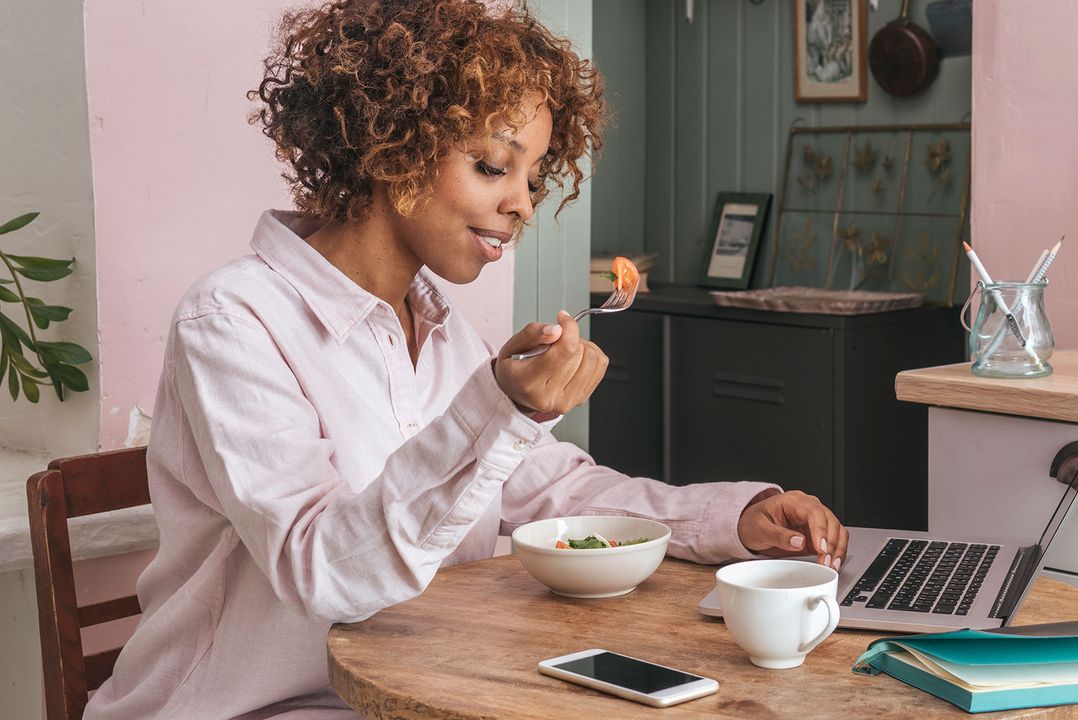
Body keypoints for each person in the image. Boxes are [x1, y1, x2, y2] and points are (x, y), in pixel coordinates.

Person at [85, 2, 849, 718]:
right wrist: (499, 409)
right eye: (492, 165)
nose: (522, 202)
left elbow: (550, 491)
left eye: (533, 175)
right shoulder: (233, 323)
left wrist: (733, 520)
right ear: (392, 147)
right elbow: (325, 572)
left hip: (417, 691)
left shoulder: (441, 327)